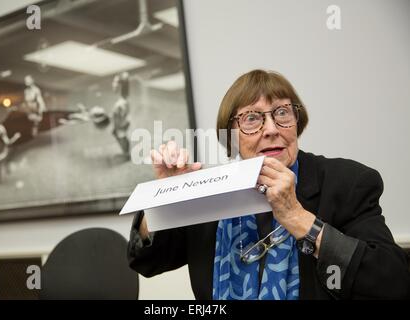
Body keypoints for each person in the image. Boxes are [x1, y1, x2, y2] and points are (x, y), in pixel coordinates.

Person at [127, 69, 410, 299]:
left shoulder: (348, 182)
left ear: (297, 122)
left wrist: (299, 219)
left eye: (282, 113)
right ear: (231, 136)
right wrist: (164, 197)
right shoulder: (209, 189)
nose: (272, 129)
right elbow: (148, 262)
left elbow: (393, 282)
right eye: (252, 118)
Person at [111, 71, 131, 159]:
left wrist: (121, 120)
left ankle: (126, 153)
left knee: (120, 133)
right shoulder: (122, 99)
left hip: (121, 120)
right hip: (121, 119)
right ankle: (126, 152)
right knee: (116, 133)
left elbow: (122, 112)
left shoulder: (121, 102)